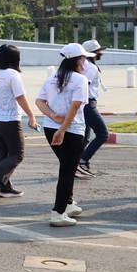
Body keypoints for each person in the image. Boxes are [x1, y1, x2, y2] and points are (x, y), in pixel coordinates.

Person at [35, 43, 93, 227]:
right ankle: (58, 213)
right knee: (67, 172)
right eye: (84, 58)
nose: (86, 62)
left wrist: (53, 117)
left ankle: (68, 204)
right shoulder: (80, 79)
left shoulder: (52, 78)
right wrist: (62, 129)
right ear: (78, 60)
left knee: (67, 167)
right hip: (72, 131)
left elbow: (39, 101)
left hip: (50, 128)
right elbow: (75, 106)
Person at [0, 44, 39, 200]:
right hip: (9, 120)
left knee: (2, 152)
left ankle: (5, 188)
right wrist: (31, 116)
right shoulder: (12, 74)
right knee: (18, 154)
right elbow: (20, 97)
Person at [77, 39, 109, 178]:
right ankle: (82, 162)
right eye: (99, 51)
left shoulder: (84, 65)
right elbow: (83, 85)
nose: (101, 53)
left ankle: (77, 164)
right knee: (102, 134)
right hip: (88, 104)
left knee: (84, 138)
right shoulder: (91, 68)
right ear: (93, 53)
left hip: (83, 103)